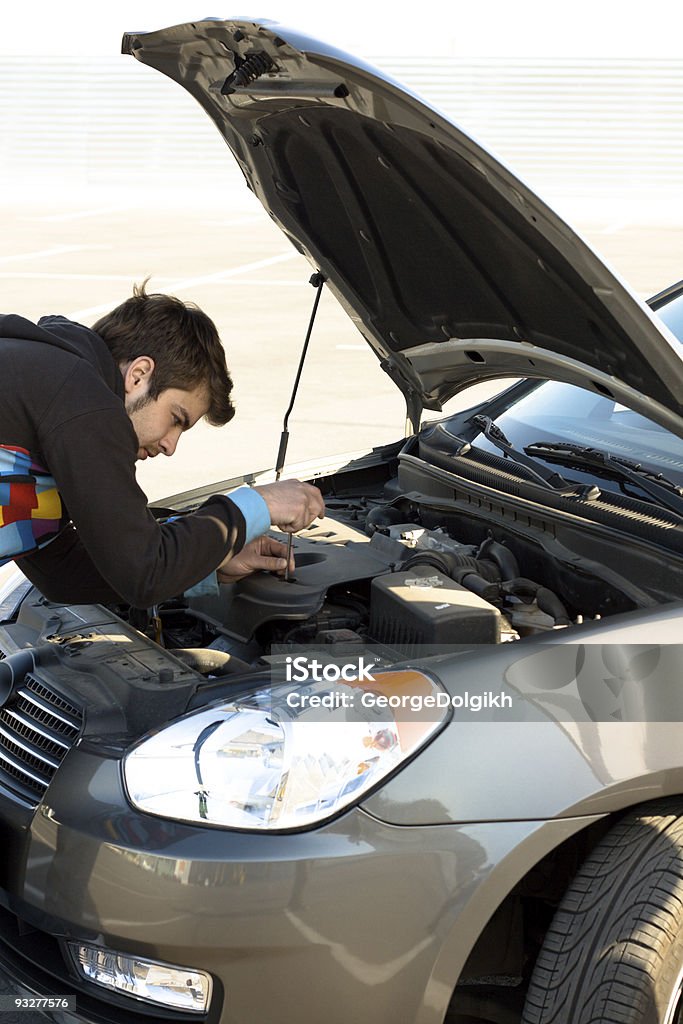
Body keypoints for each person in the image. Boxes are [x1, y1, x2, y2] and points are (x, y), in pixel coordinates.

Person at [0, 282, 324, 607]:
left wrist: (205, 566)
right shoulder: (79, 395)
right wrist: (257, 504)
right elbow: (145, 573)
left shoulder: (41, 387)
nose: (170, 446)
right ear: (139, 375)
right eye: (176, 418)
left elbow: (63, 575)